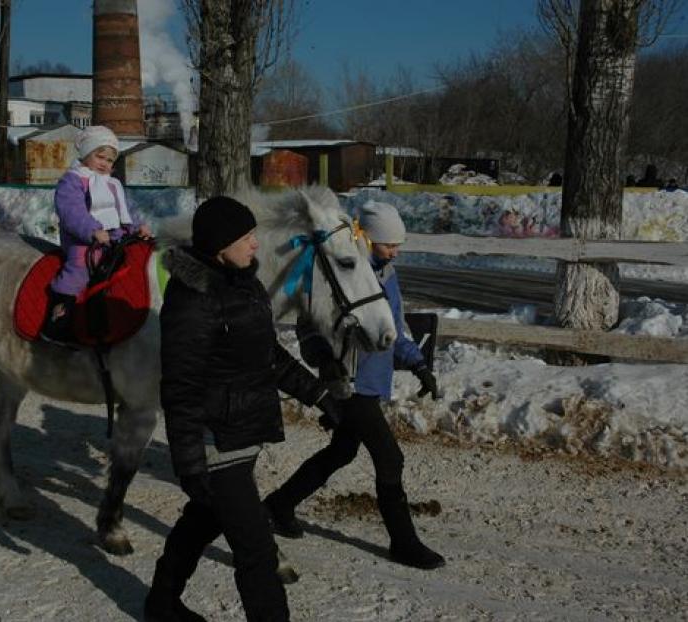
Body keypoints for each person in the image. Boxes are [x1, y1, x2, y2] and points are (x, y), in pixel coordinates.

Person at [144, 196, 342, 622]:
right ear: (219, 246)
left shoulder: (243, 283)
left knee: (201, 520)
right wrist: (189, 462)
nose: (255, 244)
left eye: (254, 234)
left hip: (242, 431)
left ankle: (160, 605)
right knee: (255, 550)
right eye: (246, 237)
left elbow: (266, 355)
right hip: (217, 443)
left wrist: (320, 396)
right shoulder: (192, 301)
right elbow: (180, 388)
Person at [263, 201, 446, 571]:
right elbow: (308, 327)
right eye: (387, 243)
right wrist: (325, 361)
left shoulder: (388, 275)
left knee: (342, 451)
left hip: (373, 381)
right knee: (390, 457)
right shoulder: (336, 272)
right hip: (347, 383)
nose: (394, 251)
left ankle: (279, 505)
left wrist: (418, 364)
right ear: (366, 239)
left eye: (398, 244)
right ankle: (403, 542)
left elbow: (393, 329)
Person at [40, 125, 151, 343]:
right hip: (84, 242)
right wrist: (92, 231)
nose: (105, 164)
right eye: (100, 157)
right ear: (86, 154)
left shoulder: (112, 185)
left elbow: (124, 212)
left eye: (110, 161)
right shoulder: (72, 181)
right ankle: (57, 322)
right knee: (78, 272)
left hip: (114, 240)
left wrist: (137, 227)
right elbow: (72, 212)